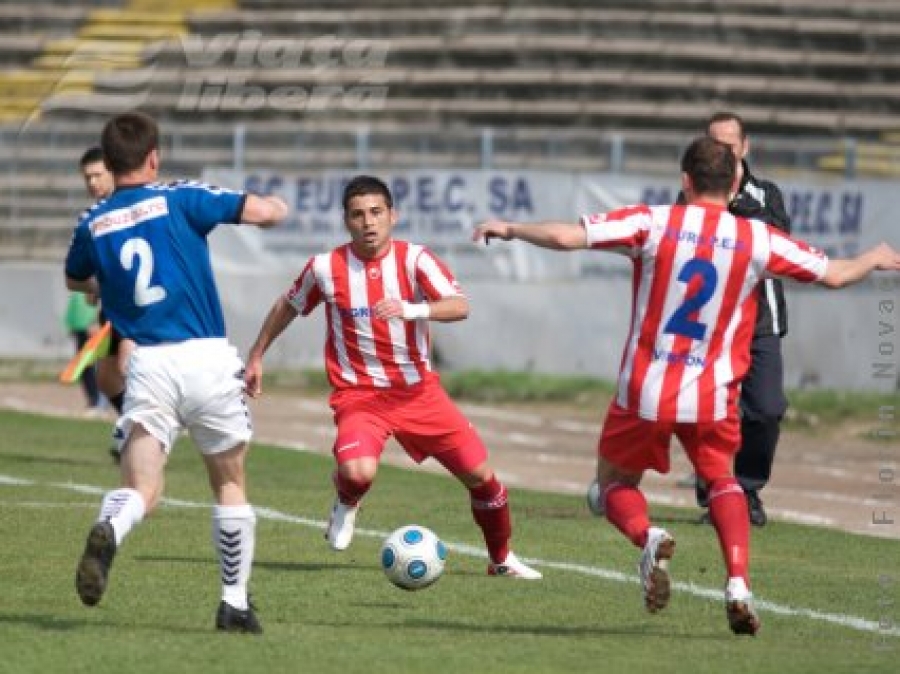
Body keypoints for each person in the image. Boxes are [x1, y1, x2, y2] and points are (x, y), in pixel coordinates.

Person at [472, 137, 900, 635]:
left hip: (646, 388)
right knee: (722, 481)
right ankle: (738, 582)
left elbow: (569, 237)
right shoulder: (756, 238)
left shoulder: (655, 222)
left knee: (612, 485)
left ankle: (648, 534)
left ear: (685, 180)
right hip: (713, 392)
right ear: (736, 182)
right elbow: (835, 275)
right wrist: (874, 256)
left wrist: (511, 228)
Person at [244, 174, 542, 580]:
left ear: (392, 216)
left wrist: (412, 309)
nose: (368, 223)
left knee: (483, 479)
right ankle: (346, 502)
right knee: (357, 472)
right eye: (358, 215)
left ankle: (502, 559)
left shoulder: (415, 259)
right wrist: (257, 354)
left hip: (420, 394)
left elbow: (459, 305)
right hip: (360, 396)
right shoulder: (325, 268)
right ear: (346, 221)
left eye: (376, 213)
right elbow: (288, 305)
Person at [65, 111, 288, 634]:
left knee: (142, 486)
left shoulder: (92, 221)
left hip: (146, 363)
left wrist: (107, 285)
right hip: (207, 358)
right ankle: (233, 604)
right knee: (229, 482)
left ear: (108, 162)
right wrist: (278, 205)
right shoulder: (180, 196)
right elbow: (262, 212)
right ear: (153, 157)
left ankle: (112, 526)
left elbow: (78, 280)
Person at [692, 111, 791, 527]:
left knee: (766, 409)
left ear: (745, 147)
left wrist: (739, 209)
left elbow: (780, 240)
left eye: (731, 144)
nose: (725, 152)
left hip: (761, 319)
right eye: (717, 144)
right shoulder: (694, 193)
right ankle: (716, 491)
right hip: (713, 320)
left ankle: (748, 488)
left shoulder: (766, 194)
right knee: (710, 411)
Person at [79, 146, 136, 462]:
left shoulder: (132, 209)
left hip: (138, 308)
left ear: (114, 172)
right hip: (113, 306)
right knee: (105, 375)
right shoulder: (93, 218)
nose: (92, 183)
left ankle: (139, 428)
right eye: (87, 177)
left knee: (127, 366)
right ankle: (132, 424)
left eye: (97, 175)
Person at [63, 289, 102, 413]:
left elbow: (99, 305)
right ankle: (93, 399)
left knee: (92, 365)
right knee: (84, 366)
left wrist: (95, 322)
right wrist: (70, 325)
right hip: (80, 330)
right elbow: (73, 308)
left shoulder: (96, 285)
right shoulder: (78, 291)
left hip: (91, 329)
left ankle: (97, 400)